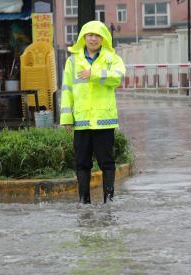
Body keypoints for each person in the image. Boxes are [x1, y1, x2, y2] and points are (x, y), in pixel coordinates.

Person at [60, 20, 126, 204]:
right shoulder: (72, 61)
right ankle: (83, 201)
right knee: (82, 163)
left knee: (107, 163)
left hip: (104, 120)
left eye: (97, 35)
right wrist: (66, 117)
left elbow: (118, 78)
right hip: (81, 121)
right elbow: (67, 90)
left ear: (103, 38)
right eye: (90, 35)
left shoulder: (112, 59)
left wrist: (94, 74)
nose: (93, 38)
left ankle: (109, 201)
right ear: (83, 37)